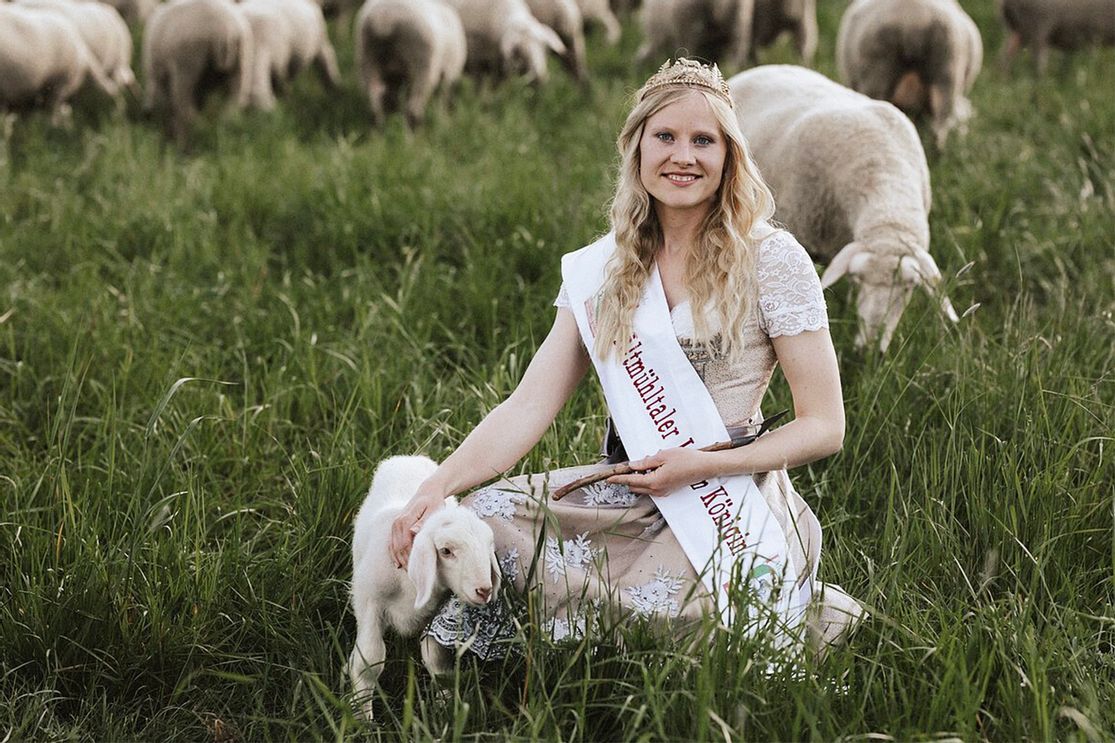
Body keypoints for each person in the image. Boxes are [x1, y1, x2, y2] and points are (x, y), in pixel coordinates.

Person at [389, 58, 864, 659]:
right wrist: (436, 487)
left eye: (703, 140)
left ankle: (815, 613)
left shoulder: (774, 260)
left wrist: (701, 466)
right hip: (629, 484)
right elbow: (530, 404)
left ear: (729, 157)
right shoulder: (604, 267)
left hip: (728, 494)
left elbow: (824, 425)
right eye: (665, 136)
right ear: (637, 147)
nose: (683, 156)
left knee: (686, 624)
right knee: (481, 518)